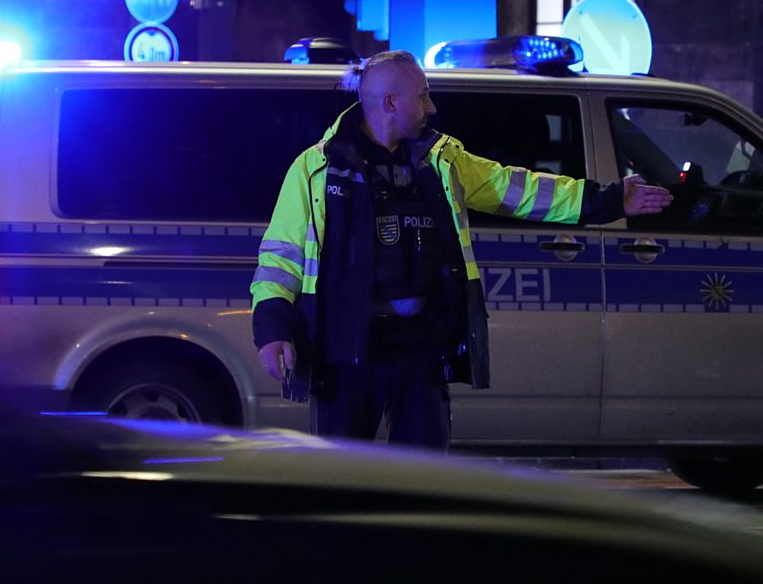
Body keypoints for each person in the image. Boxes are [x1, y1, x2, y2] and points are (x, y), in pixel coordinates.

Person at [250, 49, 672, 449]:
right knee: (337, 481)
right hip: (343, 351)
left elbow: (516, 188)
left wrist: (609, 200)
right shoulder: (316, 168)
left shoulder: (441, 160)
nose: (432, 107)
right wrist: (273, 330)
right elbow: (279, 257)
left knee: (426, 483)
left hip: (422, 350)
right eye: (424, 96)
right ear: (392, 102)